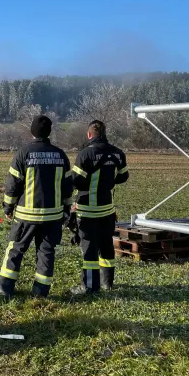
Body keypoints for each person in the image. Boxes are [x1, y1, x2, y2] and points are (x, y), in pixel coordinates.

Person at [0, 115, 74, 299]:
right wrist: (67, 209)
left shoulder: (23, 153)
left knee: (16, 249)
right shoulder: (61, 155)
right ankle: (41, 292)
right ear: (49, 132)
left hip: (26, 216)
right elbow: (68, 187)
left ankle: (4, 287)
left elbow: (12, 186)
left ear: (32, 132)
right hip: (53, 217)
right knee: (46, 252)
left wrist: (8, 207)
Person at [69, 120, 129, 296]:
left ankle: (88, 286)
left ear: (89, 135)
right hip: (108, 210)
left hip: (88, 210)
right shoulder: (118, 153)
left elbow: (76, 180)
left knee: (89, 249)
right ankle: (107, 283)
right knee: (106, 246)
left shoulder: (85, 154)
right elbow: (123, 177)